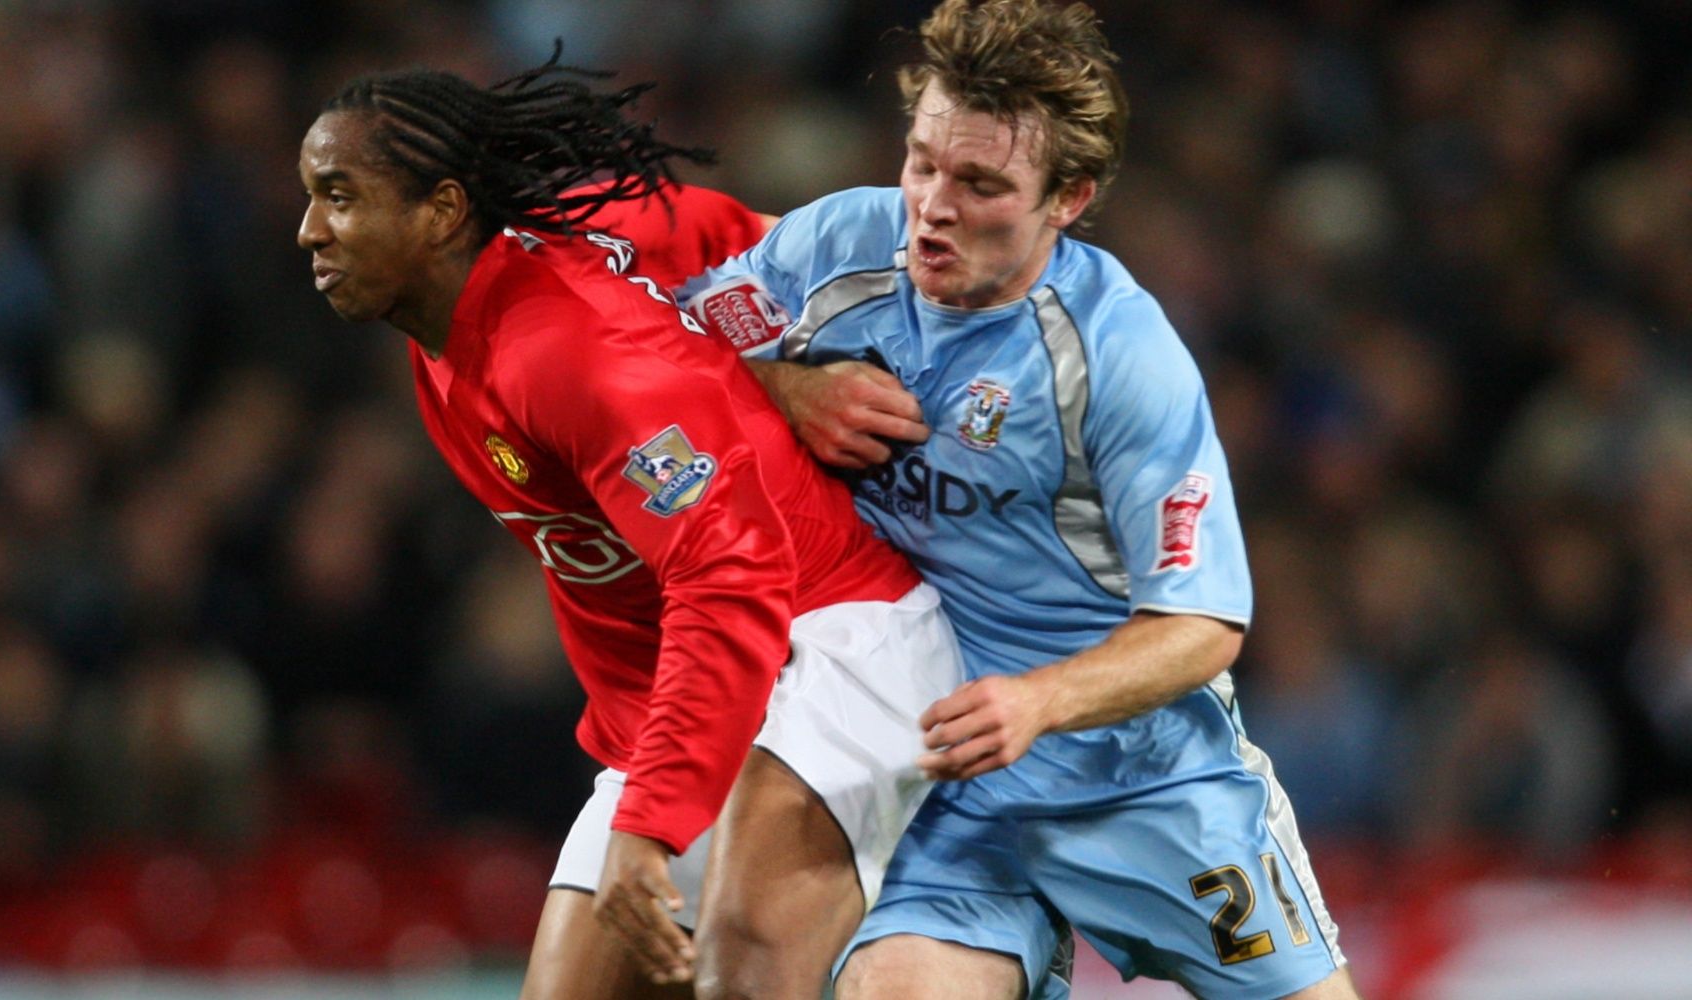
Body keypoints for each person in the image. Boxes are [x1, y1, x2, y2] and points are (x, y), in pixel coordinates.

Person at [679, 1, 1362, 997]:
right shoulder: (831, 252)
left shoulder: (1119, 355)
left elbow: (1202, 624)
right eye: (920, 163)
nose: (930, 207)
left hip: (1140, 775)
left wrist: (1037, 702)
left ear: (1067, 198)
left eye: (980, 184)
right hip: (941, 775)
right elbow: (655, 355)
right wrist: (778, 388)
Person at [294, 61, 963, 999]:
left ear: (442, 211)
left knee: (744, 969)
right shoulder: (467, 324)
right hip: (692, 698)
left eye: (339, 197)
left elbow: (730, 573)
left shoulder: (571, 351)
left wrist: (651, 824)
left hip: (831, 637)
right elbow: (712, 253)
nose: (309, 230)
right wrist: (760, 383)